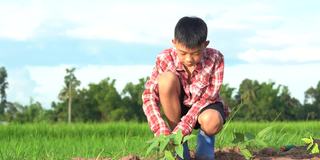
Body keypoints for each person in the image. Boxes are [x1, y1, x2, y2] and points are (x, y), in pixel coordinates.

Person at [142, 16, 229, 160]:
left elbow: (209, 97)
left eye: (195, 53)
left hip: (204, 105)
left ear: (205, 45)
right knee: (165, 80)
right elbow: (149, 96)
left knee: (212, 120)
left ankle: (204, 151)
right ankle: (180, 149)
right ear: (174, 43)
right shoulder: (164, 58)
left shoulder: (215, 59)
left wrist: (183, 128)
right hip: (177, 109)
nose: (189, 59)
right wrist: (160, 128)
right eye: (182, 53)